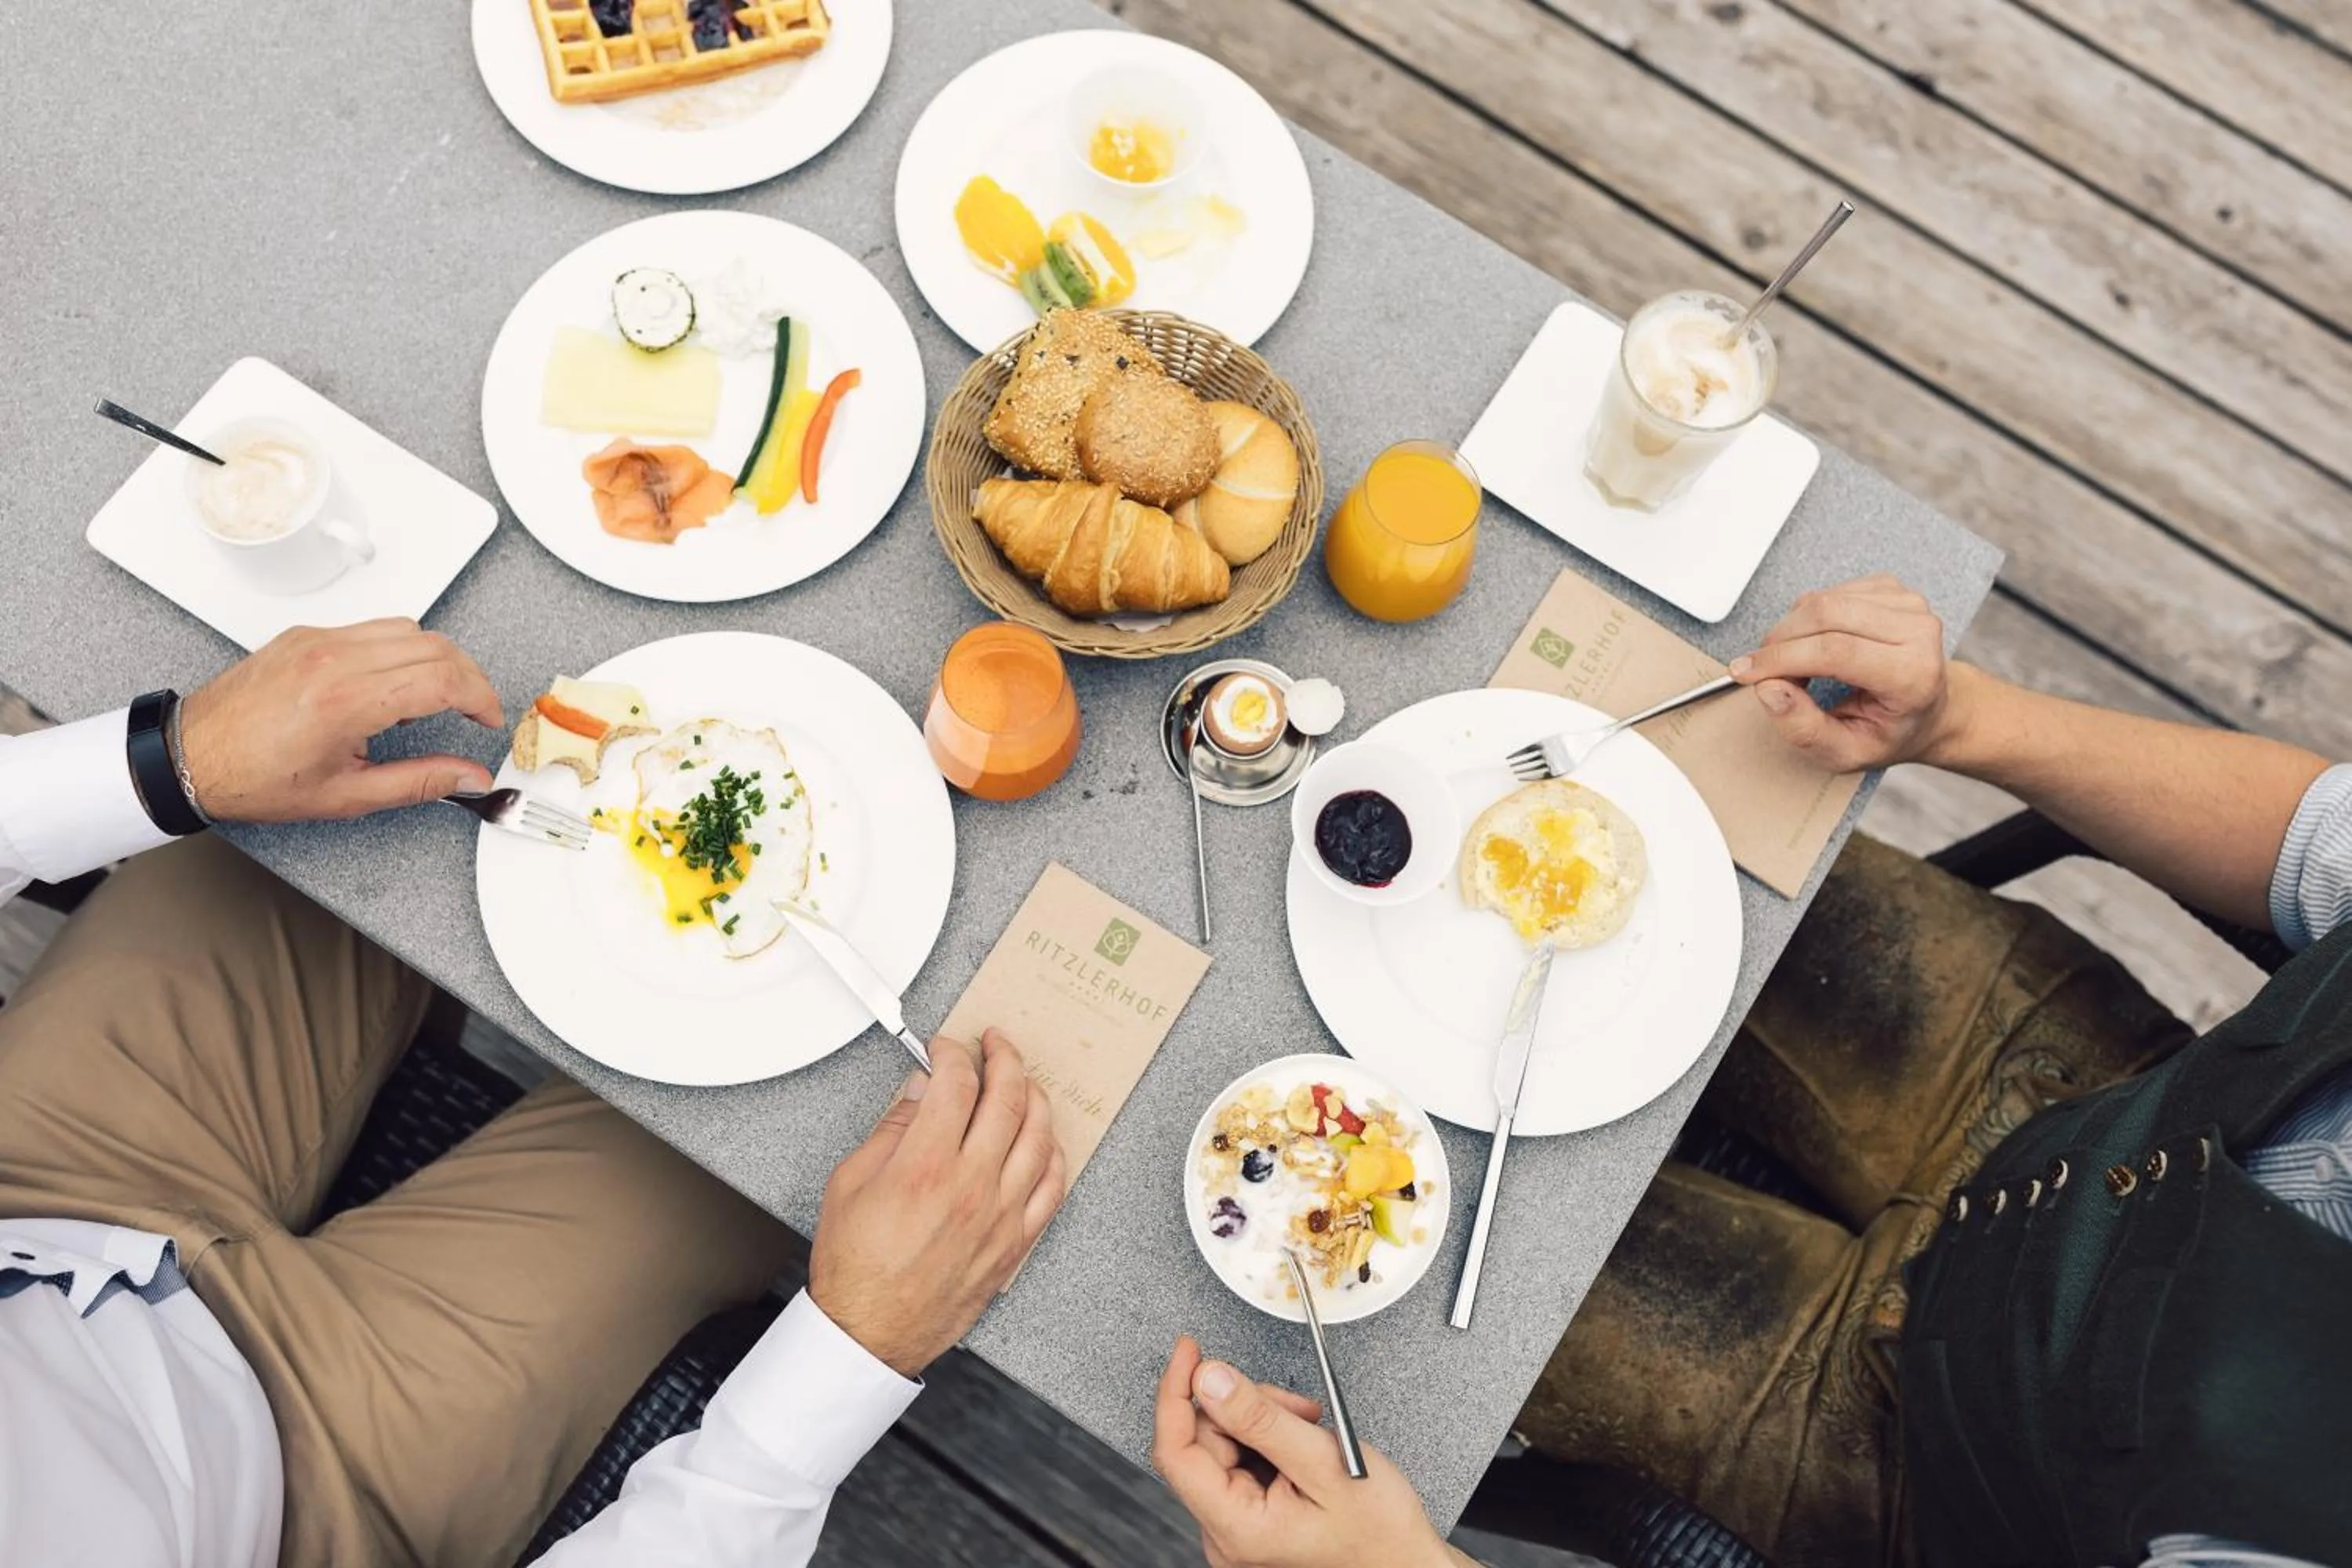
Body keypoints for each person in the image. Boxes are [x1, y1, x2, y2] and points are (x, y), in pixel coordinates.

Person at [1152, 576, 2352, 1568]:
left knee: (1314, 1236)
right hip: (2086, 1085)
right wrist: (1966, 723)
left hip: (1924, 1471)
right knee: (1651, 847)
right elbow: (2320, 851)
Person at [0, 619, 1066, 1567]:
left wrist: (161, 763)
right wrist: (844, 1360)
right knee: (782, 1125)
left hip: (33, 1189)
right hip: (312, 1490)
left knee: (353, 803)